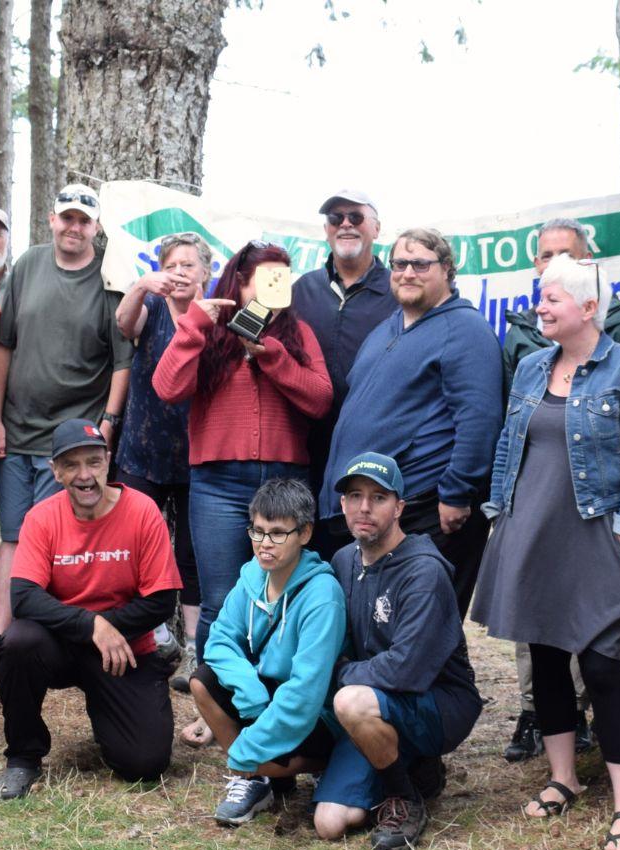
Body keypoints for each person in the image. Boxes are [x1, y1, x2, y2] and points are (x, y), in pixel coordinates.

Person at [474, 255, 620, 850]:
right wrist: (499, 514)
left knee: (604, 664)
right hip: (530, 526)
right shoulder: (532, 366)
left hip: (594, 531)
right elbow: (511, 443)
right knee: (546, 654)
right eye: (539, 297)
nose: (540, 308)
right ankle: (563, 779)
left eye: (551, 298)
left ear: (588, 308)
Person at [154, 240, 332, 656]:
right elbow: (167, 387)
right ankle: (214, 703)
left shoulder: (297, 334)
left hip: (284, 482)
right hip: (218, 484)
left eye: (282, 280)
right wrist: (194, 324)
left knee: (280, 596)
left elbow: (320, 399)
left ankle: (270, 697)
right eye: (266, 280)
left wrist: (274, 357)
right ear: (241, 283)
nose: (275, 289)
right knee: (220, 598)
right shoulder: (209, 332)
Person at [0, 420, 183, 798]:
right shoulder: (42, 517)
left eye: (93, 462)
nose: (85, 476)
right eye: (72, 465)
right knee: (19, 641)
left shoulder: (142, 512)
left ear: (108, 462)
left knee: (144, 764)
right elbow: (24, 596)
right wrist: (92, 625)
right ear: (55, 471)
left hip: (125, 650)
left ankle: (106, 708)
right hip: (62, 645)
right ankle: (23, 757)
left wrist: (107, 628)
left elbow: (161, 600)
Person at [317, 227, 502, 614]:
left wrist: (456, 492)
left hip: (425, 509)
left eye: (421, 264)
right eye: (400, 263)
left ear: (447, 270)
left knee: (422, 622)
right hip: (373, 507)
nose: (407, 272)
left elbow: (479, 419)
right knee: (379, 624)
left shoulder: (465, 329)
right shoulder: (387, 327)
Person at [0, 183, 129, 665]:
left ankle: (42, 635)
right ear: (52, 219)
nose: (74, 227)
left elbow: (122, 361)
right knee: (12, 534)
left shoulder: (107, 278)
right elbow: (3, 343)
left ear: (96, 227)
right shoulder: (28, 264)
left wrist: (107, 422)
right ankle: (0, 638)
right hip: (16, 430)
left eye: (84, 220)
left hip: (70, 441)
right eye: (66, 218)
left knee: (49, 536)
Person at [315, 453, 483, 850]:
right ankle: (413, 766)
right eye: (354, 496)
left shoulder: (424, 571)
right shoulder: (343, 560)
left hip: (438, 702)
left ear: (400, 507)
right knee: (329, 823)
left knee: (350, 701)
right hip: (376, 699)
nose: (365, 508)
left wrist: (339, 675)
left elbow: (406, 671)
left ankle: (404, 798)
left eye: (379, 497)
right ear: (342, 505)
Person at [189, 479, 346, 825]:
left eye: (277, 533)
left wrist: (244, 752)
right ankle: (259, 780)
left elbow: (306, 692)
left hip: (312, 713)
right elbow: (219, 641)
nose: (264, 544)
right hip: (265, 697)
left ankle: (318, 765)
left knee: (252, 756)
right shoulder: (251, 577)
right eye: (257, 531)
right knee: (203, 681)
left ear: (304, 534)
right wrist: (251, 693)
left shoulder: (322, 595)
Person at [112, 233, 210, 674]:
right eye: (173, 264)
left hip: (198, 452)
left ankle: (193, 647)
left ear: (206, 273)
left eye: (190, 264)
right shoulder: (150, 307)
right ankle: (153, 634)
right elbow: (123, 326)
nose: (181, 271)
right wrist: (139, 287)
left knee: (191, 554)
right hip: (143, 448)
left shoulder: (215, 314)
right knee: (136, 543)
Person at [289, 189, 394, 494]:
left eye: (356, 217)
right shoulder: (301, 290)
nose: (345, 224)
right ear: (326, 230)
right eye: (336, 218)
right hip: (306, 449)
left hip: (373, 447)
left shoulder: (397, 292)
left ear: (375, 228)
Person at [500, 217, 620, 388]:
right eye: (547, 257)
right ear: (537, 264)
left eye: (566, 255)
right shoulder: (520, 334)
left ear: (587, 261)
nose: (556, 264)